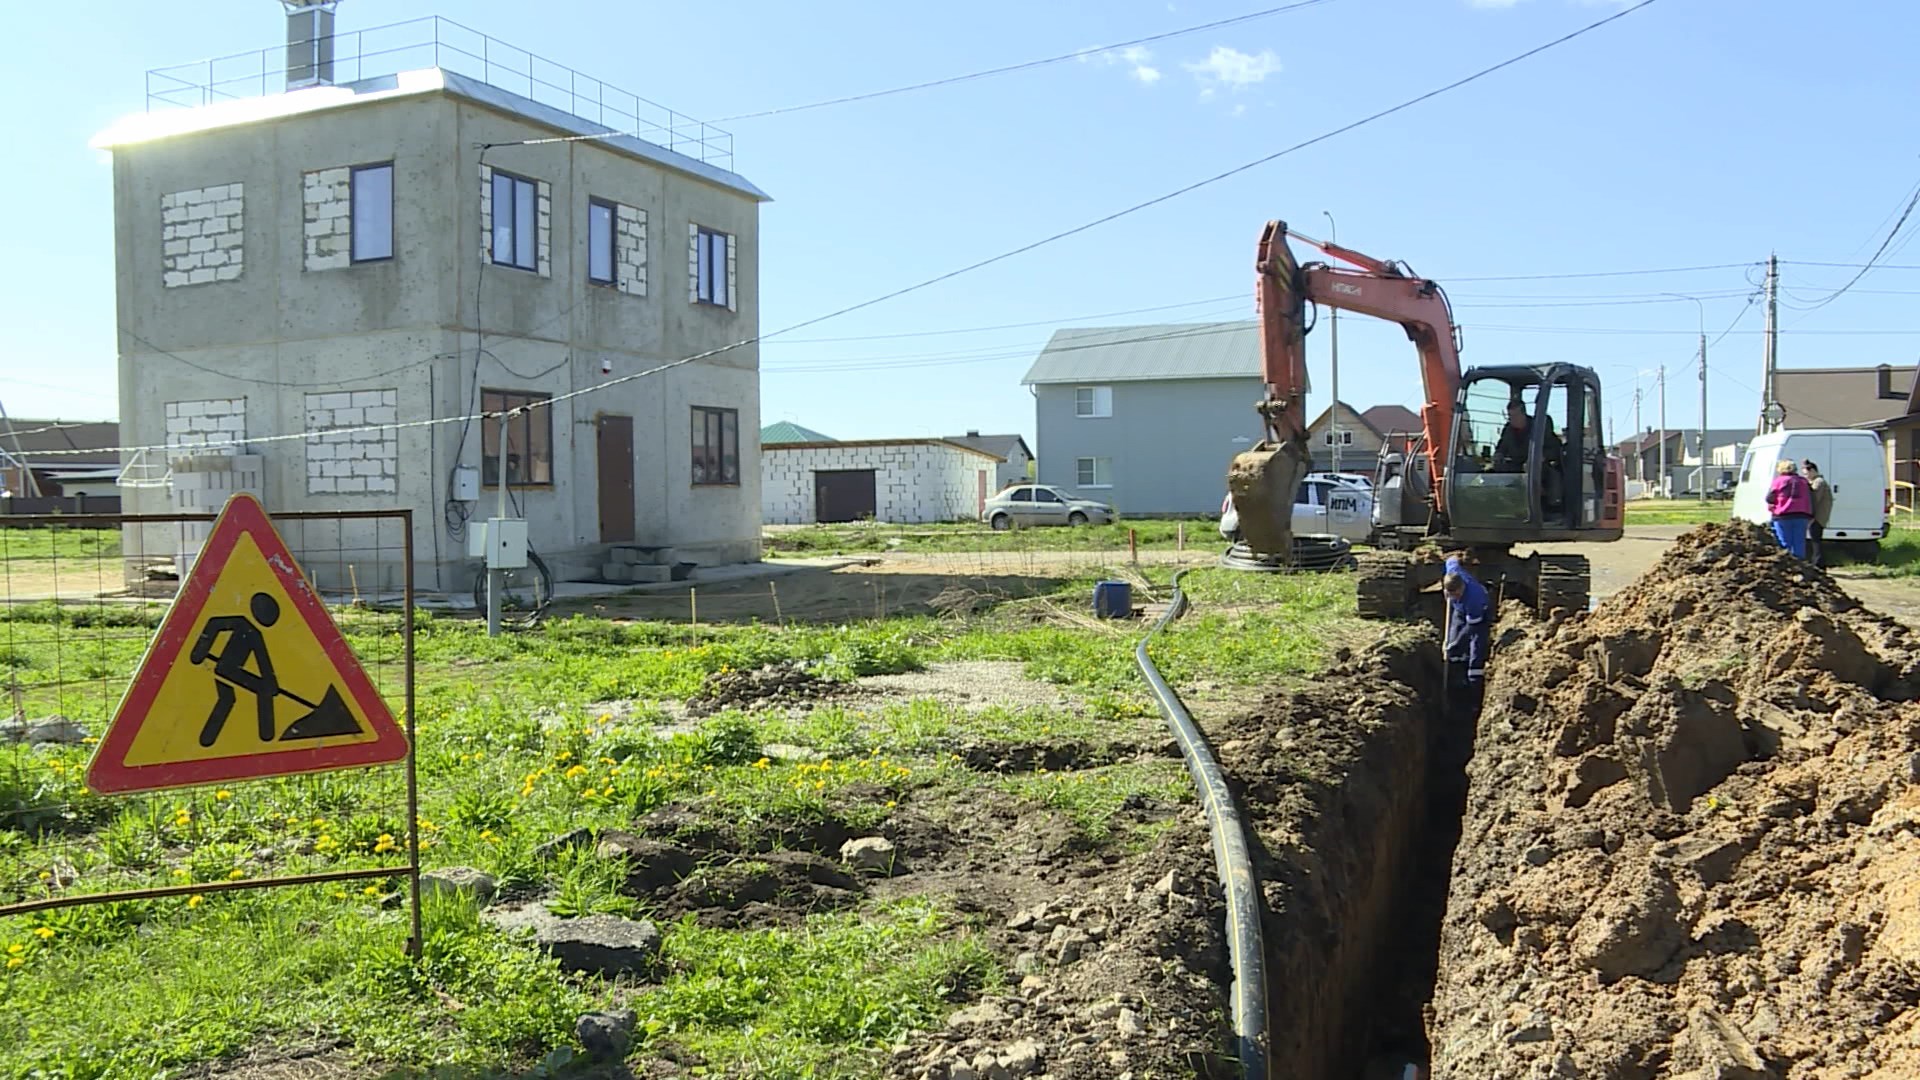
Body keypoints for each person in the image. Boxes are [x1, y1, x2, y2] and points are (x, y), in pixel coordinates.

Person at [1442, 555, 1490, 718]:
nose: (1453, 597)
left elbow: (1471, 627)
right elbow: (1451, 559)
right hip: (1460, 611)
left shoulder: (1474, 598)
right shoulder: (1453, 571)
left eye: (1456, 594)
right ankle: (1455, 684)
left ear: (1462, 588)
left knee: (1475, 653)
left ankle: (1474, 700)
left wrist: (1455, 643)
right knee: (1453, 644)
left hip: (1479, 618)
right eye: (1450, 595)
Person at [1766, 459, 1814, 559]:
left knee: (1784, 543)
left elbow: (1769, 498)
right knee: (1799, 542)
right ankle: (1800, 566)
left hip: (1783, 515)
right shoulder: (1803, 481)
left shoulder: (1779, 481)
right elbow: (1811, 496)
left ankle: (1787, 566)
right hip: (1802, 515)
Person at [1803, 460, 1833, 566]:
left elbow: (1814, 499)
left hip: (1818, 516)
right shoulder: (1817, 481)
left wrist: (1809, 515)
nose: (1806, 476)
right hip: (1818, 516)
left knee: (1816, 541)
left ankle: (1818, 563)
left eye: (1806, 474)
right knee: (1815, 540)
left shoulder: (1818, 482)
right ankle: (1818, 561)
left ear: (1812, 471)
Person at [1492, 401, 1531, 473]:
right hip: (1514, 470)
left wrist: (1538, 458)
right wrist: (1498, 455)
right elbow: (1501, 447)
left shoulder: (1539, 427)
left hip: (1535, 471)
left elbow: (1552, 449)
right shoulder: (1508, 430)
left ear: (1523, 414)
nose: (1511, 419)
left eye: (1515, 416)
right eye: (1510, 416)